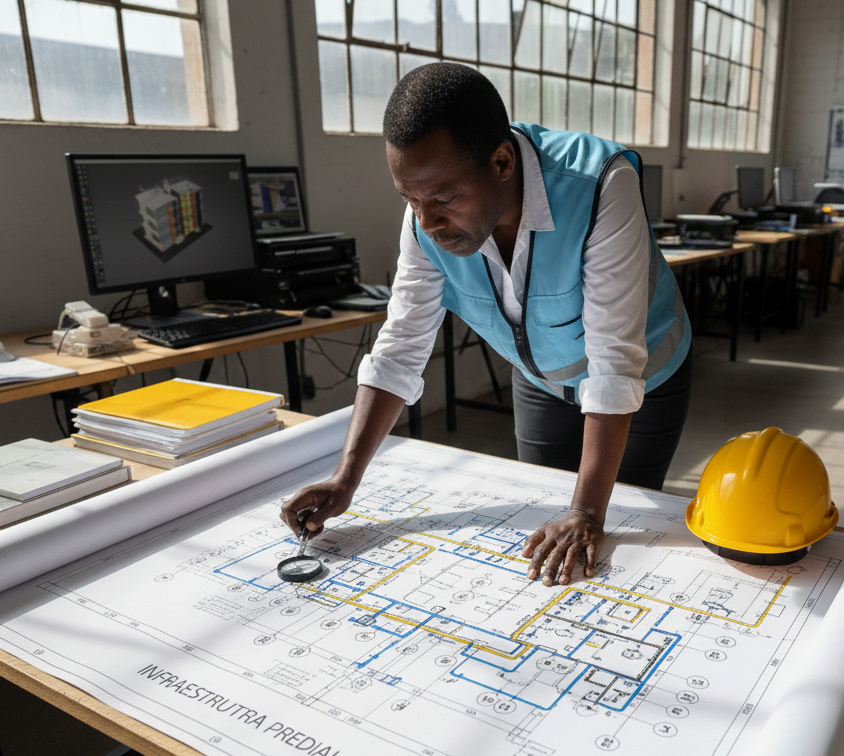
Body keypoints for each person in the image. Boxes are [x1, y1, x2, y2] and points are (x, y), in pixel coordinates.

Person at [281, 63, 692, 587]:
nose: (426, 221)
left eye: (443, 199)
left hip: (644, 381)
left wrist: (588, 513)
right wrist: (346, 480)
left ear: (501, 161)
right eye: (410, 199)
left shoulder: (600, 184)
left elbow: (614, 362)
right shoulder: (424, 219)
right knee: (546, 526)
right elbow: (401, 347)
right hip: (543, 378)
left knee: (610, 546)